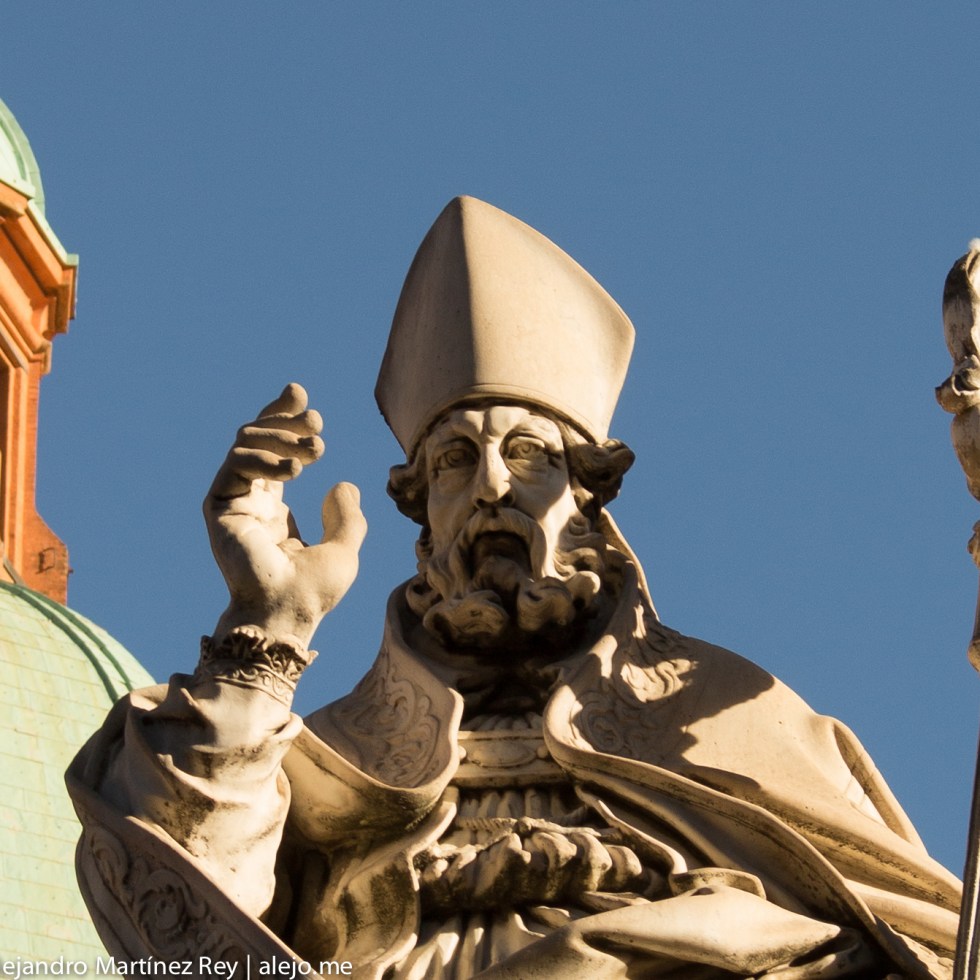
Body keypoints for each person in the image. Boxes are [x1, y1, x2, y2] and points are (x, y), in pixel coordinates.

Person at [69, 197, 961, 979]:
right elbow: (181, 928)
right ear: (423, 510)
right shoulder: (331, 753)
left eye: (528, 454)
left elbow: (912, 937)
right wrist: (265, 624)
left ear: (589, 491)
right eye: (455, 460)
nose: (491, 485)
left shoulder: (737, 716)